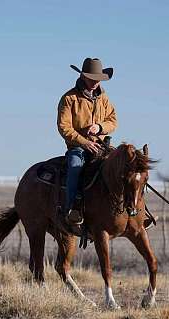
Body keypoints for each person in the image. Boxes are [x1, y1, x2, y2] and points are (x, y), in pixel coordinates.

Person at [57, 57, 118, 225]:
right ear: (83, 76)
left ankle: (133, 213)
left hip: (102, 146)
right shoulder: (69, 98)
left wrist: (99, 127)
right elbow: (64, 127)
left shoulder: (103, 98)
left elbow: (113, 121)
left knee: (125, 166)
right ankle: (72, 209)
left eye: (97, 80)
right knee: (75, 166)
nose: (95, 83)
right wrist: (84, 142)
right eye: (91, 79)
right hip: (78, 147)